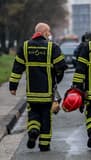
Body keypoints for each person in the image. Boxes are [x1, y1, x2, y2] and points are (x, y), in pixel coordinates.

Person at [9, 22, 66, 151]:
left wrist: (13, 86)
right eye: (49, 32)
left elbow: (17, 68)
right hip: (47, 93)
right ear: (45, 32)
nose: (50, 34)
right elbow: (61, 66)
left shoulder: (24, 47)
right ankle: (44, 144)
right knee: (46, 117)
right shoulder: (53, 48)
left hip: (32, 92)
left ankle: (33, 130)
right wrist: (57, 78)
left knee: (33, 114)